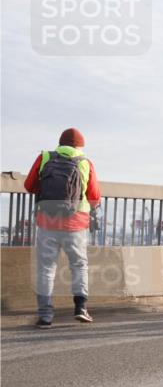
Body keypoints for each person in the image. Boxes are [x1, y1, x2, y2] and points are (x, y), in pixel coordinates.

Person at [23, 127, 101, 328]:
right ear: (80, 146)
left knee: (46, 269)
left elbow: (29, 185)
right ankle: (81, 308)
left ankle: (45, 316)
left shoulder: (45, 158)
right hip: (75, 225)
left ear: (60, 143)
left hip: (47, 222)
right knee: (78, 265)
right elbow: (94, 197)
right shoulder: (85, 163)